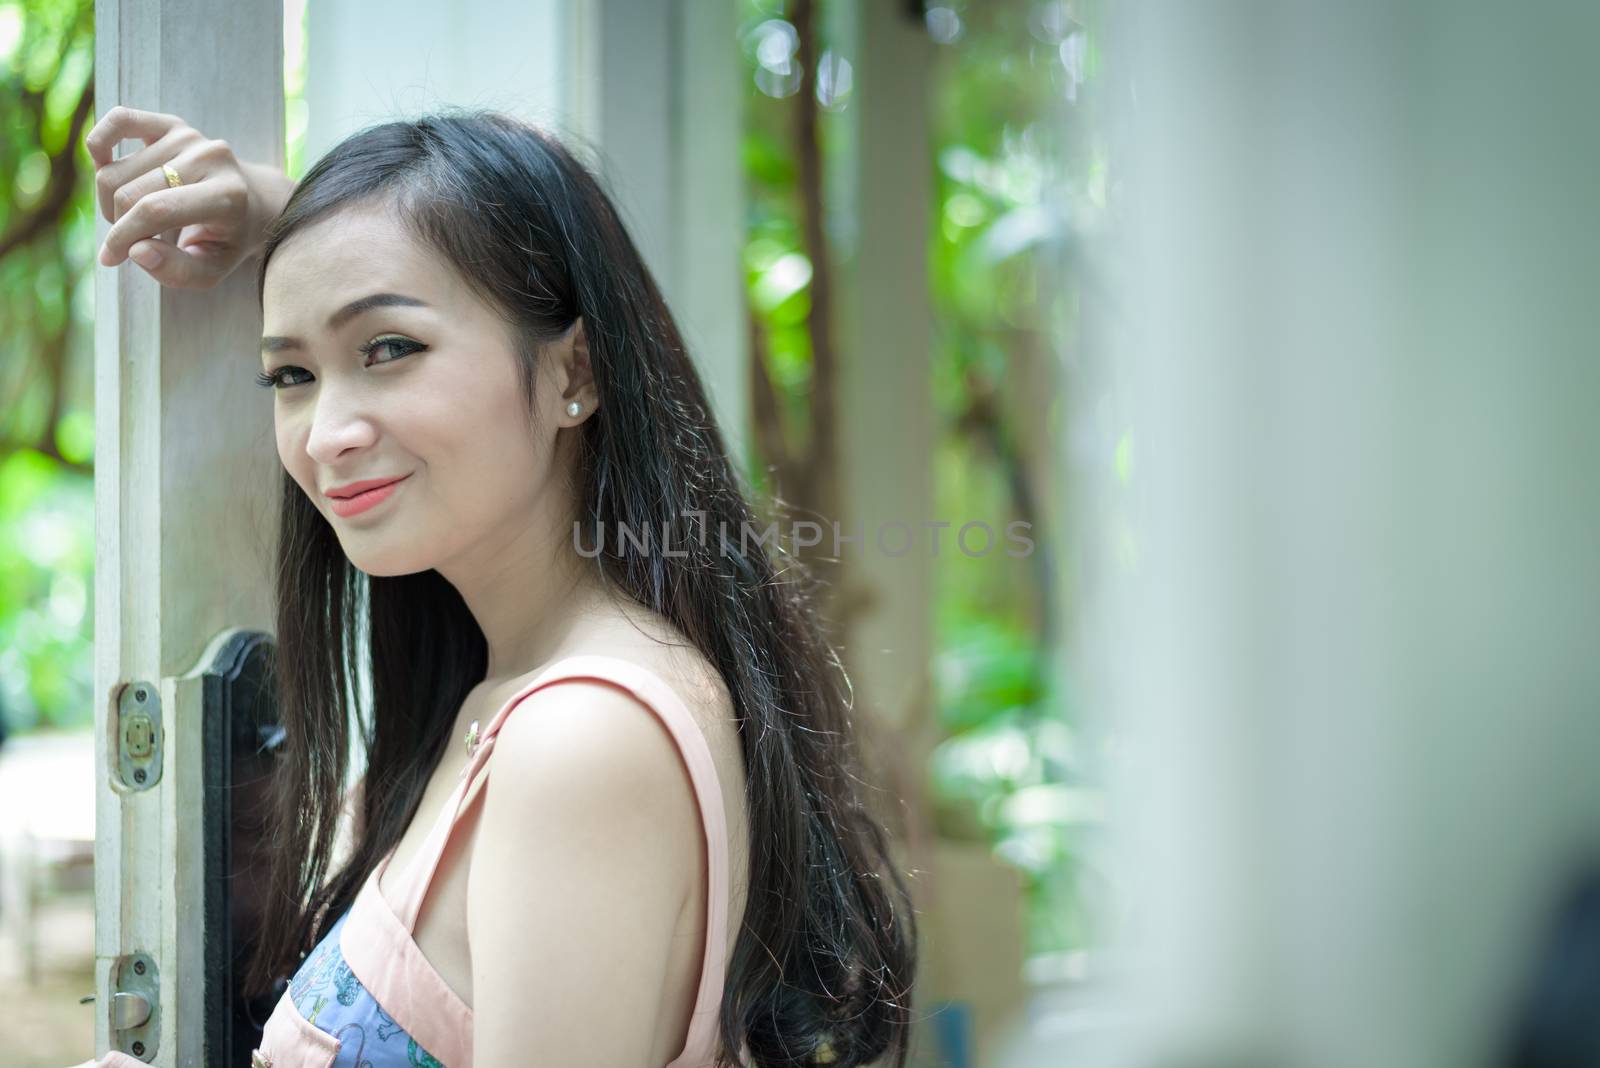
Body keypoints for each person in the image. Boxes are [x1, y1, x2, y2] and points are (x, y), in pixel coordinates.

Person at [74, 105, 916, 1068]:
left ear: (577, 372)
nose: (325, 432)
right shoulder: (526, 690)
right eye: (293, 374)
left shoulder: (580, 741)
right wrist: (284, 217)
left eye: (389, 350)